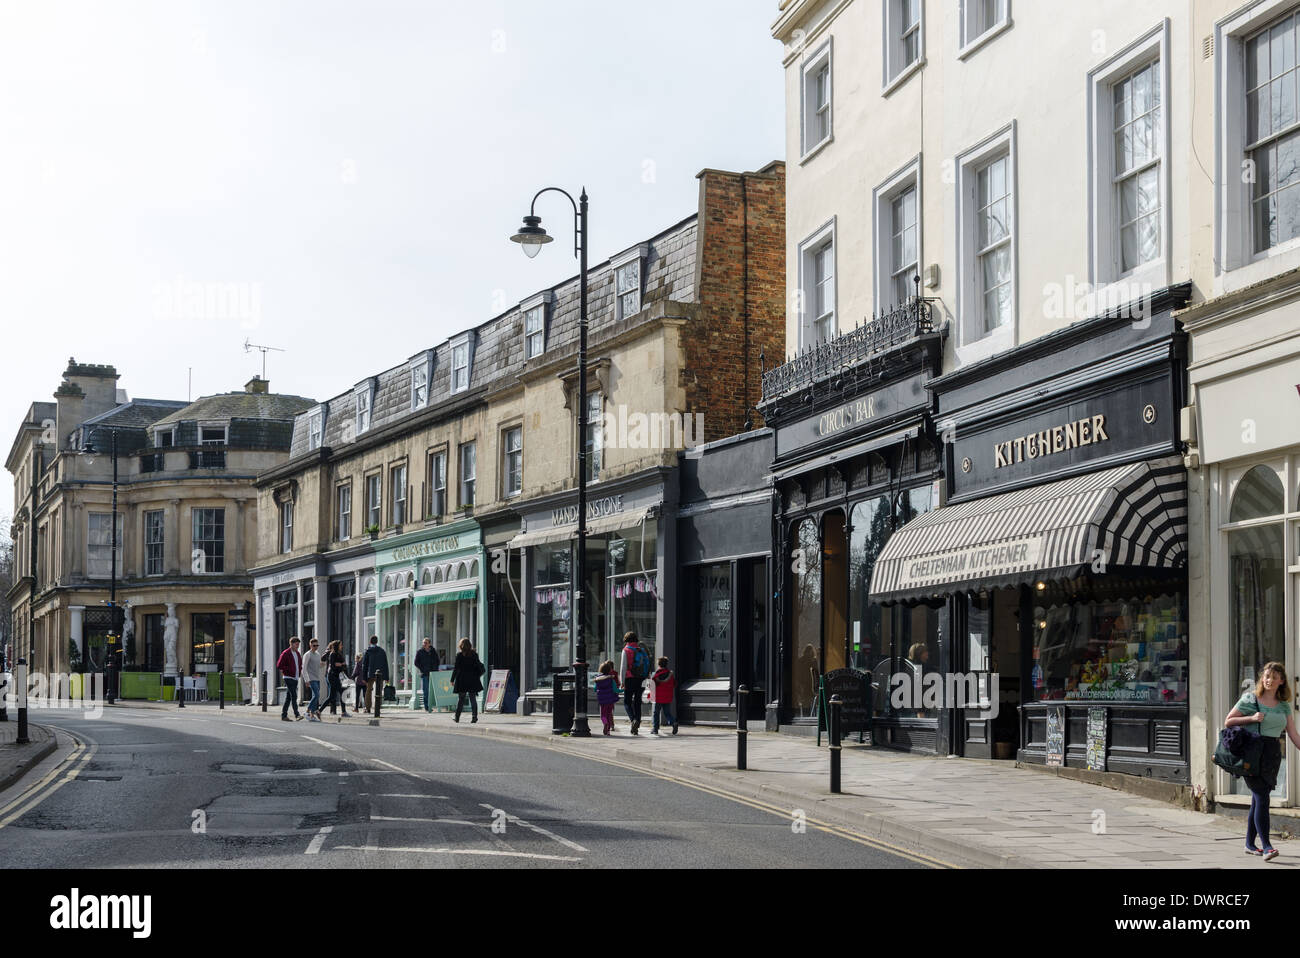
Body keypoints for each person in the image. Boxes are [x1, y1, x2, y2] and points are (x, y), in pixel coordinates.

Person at [1224, 662, 1300, 861]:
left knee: (1258, 799)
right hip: (1252, 753)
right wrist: (1251, 718)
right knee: (1262, 798)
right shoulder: (1251, 699)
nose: (1269, 680)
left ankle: (1250, 844)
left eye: (1274, 677)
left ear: (1281, 681)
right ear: (1261, 679)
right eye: (1267, 676)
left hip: (1272, 754)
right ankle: (1267, 846)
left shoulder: (1284, 705)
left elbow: (1293, 734)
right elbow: (1228, 721)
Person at [617, 631, 650, 735]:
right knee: (637, 701)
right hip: (642, 679)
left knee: (627, 701)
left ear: (626, 640)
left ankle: (633, 720)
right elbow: (647, 664)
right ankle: (638, 722)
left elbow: (623, 667)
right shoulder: (642, 650)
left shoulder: (626, 650)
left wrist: (622, 681)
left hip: (630, 678)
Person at [450, 637, 484, 724]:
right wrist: (477, 675)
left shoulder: (459, 655)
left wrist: (452, 679)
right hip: (472, 679)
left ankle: (457, 717)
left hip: (462, 680)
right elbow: (478, 666)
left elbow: (456, 669)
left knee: (461, 699)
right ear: (469, 645)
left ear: (461, 646)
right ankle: (474, 717)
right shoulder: (474, 655)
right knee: (473, 698)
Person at [318, 640, 350, 721]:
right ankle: (343, 712)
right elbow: (333, 666)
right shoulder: (332, 654)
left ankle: (318, 711)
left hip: (336, 676)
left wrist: (341, 665)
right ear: (337, 646)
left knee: (331, 696)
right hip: (332, 676)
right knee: (342, 692)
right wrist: (340, 664)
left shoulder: (339, 654)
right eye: (340, 645)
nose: (341, 646)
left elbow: (344, 665)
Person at [275, 637, 304, 722]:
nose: (298, 646)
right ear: (291, 644)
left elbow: (299, 665)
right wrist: (289, 669)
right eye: (296, 644)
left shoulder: (297, 654)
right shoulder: (285, 653)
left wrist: (299, 672)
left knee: (288, 698)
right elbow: (279, 665)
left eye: (298, 644)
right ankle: (297, 715)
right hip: (288, 677)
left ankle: (284, 715)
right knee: (294, 695)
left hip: (295, 678)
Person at [651, 656, 678, 735]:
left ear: (659, 664)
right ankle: (673, 723)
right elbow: (674, 684)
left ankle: (655, 729)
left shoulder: (656, 675)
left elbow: (652, 686)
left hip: (658, 697)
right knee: (667, 713)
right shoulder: (670, 674)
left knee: (656, 713)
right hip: (667, 697)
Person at [362, 636, 389, 715]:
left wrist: (364, 677)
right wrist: (386, 677)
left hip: (370, 674)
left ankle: (368, 708)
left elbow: (365, 665)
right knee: (379, 692)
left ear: (370, 642)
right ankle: (378, 708)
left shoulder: (367, 651)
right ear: (377, 642)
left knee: (368, 691)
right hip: (380, 674)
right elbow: (385, 664)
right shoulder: (382, 651)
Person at [594, 660, 621, 735]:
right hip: (610, 700)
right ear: (609, 670)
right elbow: (616, 690)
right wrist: (623, 689)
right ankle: (608, 730)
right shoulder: (611, 680)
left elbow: (595, 689)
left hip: (602, 700)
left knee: (603, 715)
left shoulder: (598, 680)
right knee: (609, 714)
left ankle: (605, 723)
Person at [415, 638, 440, 713]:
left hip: (433, 674)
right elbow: (416, 662)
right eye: (423, 643)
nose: (424, 644)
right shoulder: (420, 652)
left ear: (429, 644)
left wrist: (435, 669)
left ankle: (432, 705)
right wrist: (422, 669)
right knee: (425, 691)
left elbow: (437, 661)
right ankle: (427, 707)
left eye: (426, 643)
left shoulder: (433, 651)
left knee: (433, 691)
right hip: (425, 674)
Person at [302, 638, 324, 721]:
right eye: (314, 645)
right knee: (317, 695)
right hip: (311, 678)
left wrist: (323, 664)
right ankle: (307, 711)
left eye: (317, 645)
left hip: (317, 678)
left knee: (315, 696)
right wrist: (306, 680)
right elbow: (303, 668)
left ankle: (311, 715)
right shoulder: (307, 654)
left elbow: (318, 666)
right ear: (310, 645)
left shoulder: (318, 654)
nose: (316, 647)